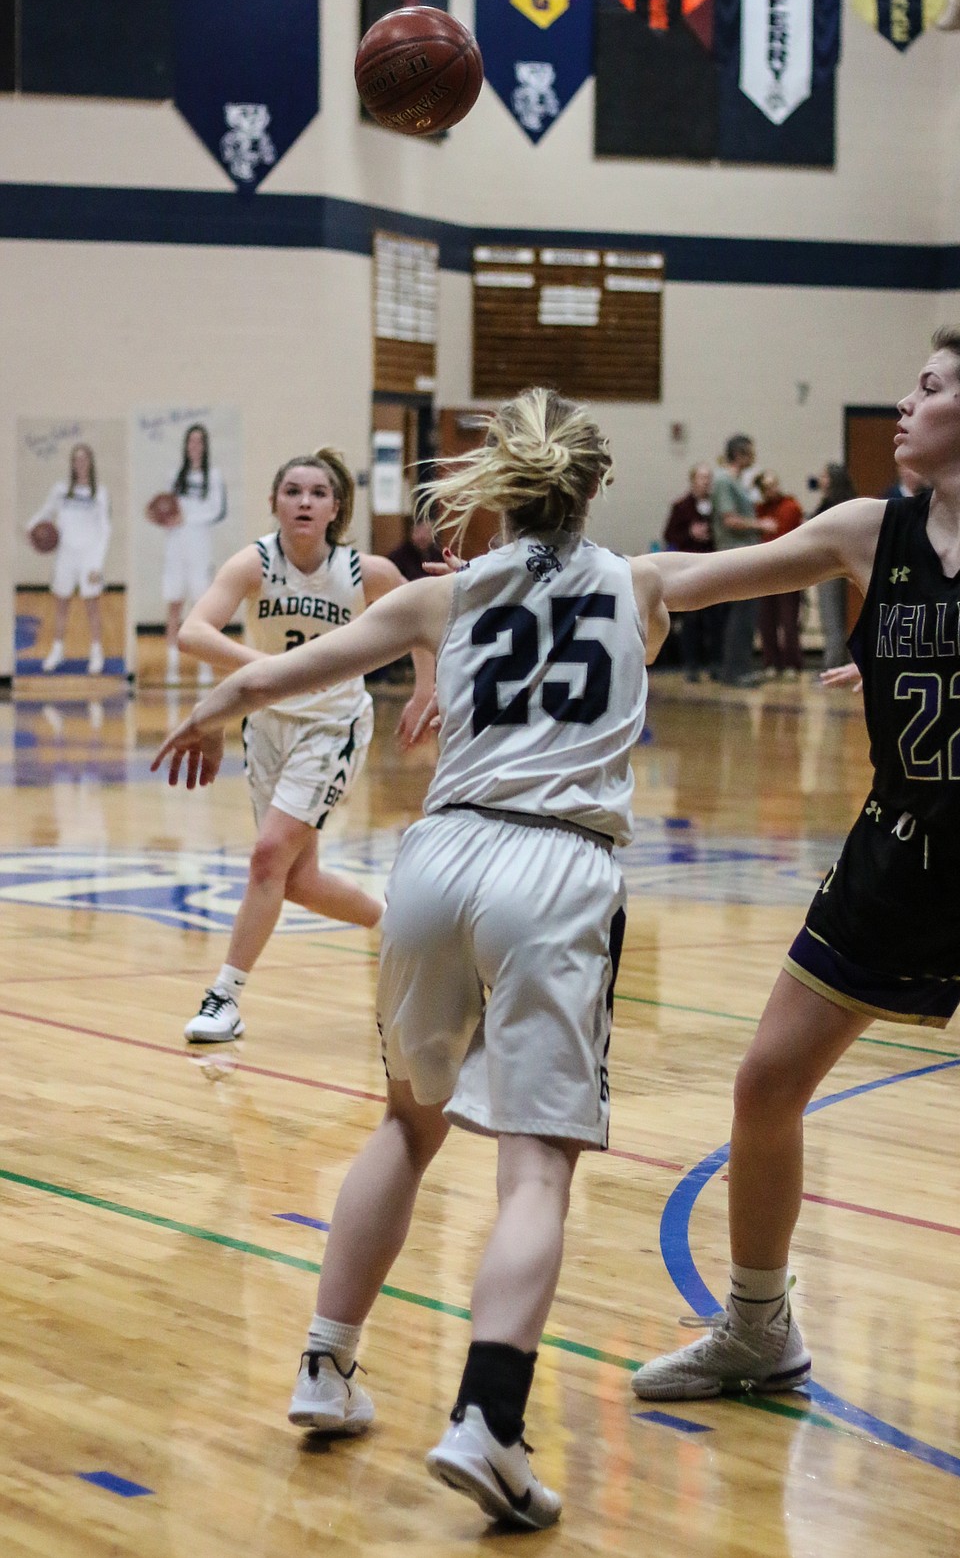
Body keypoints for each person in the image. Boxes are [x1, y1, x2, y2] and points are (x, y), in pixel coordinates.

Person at [631, 306, 960, 1404]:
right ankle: (756, 1328)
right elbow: (688, 577)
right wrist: (596, 588)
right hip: (902, 850)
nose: (902, 408)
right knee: (766, 1083)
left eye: (924, 390)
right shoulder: (867, 529)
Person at [153, 389, 670, 1529]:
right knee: (535, 1167)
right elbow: (814, 552)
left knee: (406, 1121)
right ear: (594, 486)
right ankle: (490, 1419)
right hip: (556, 866)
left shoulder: (443, 593)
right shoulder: (643, 581)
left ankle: (326, 1366)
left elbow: (269, 678)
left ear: (502, 490)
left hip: (438, 861)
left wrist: (209, 712)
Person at [174, 446, 434, 1044]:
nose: (304, 502)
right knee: (295, 878)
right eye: (292, 491)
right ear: (274, 502)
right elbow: (192, 632)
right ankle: (401, 929)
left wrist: (427, 688)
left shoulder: (364, 572)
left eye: (317, 493)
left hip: (331, 726)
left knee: (268, 856)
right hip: (266, 724)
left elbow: (423, 620)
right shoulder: (255, 563)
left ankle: (225, 997)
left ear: (335, 507)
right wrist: (269, 669)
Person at [26, 442, 111, 676]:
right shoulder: (60, 490)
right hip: (65, 554)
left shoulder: (100, 493)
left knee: (92, 606)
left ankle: (96, 653)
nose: (80, 463)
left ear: (90, 463)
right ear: (72, 464)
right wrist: (31, 527)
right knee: (61, 603)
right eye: (76, 459)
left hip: (89, 558)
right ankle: (57, 650)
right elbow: (46, 512)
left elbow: (105, 530)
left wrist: (98, 563)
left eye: (84, 459)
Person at [159, 423, 228, 686]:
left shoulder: (215, 476)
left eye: (200, 441)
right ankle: (172, 665)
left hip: (200, 548)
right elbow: (168, 510)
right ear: (186, 445)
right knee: (174, 604)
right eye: (191, 441)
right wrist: (166, 519)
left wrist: (187, 517)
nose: (195, 446)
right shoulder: (174, 476)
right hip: (175, 548)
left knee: (201, 609)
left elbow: (217, 511)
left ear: (205, 445)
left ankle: (205, 666)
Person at [712, 435, 768, 686]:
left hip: (746, 553)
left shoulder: (738, 481)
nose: (754, 456)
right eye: (750, 452)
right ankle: (734, 671)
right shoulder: (724, 480)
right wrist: (760, 524)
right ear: (740, 454)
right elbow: (729, 519)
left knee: (747, 614)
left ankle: (741, 667)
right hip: (735, 553)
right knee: (741, 613)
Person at [663, 462, 722, 679]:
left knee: (715, 621)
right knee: (691, 621)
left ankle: (715, 663)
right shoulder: (681, 506)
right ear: (693, 481)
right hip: (690, 569)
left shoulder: (718, 506)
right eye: (701, 477)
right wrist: (691, 533)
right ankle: (692, 665)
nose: (706, 482)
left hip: (713, 567)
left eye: (708, 478)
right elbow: (669, 535)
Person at [755, 473, 803, 674]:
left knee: (788, 620)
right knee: (766, 621)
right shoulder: (758, 510)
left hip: (788, 570)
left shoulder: (791, 506)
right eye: (766, 487)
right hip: (764, 572)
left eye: (773, 485)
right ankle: (770, 663)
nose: (770, 490)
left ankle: (792, 663)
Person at [812, 463, 856, 668]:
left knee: (832, 620)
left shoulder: (834, 505)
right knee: (835, 620)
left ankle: (831, 668)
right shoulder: (831, 502)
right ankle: (838, 664)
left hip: (831, 569)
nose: (820, 479)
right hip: (835, 567)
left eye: (824, 476)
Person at [389, 512, 441, 583]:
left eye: (427, 532)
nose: (423, 536)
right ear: (411, 532)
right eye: (418, 531)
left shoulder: (438, 555)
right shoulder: (397, 557)